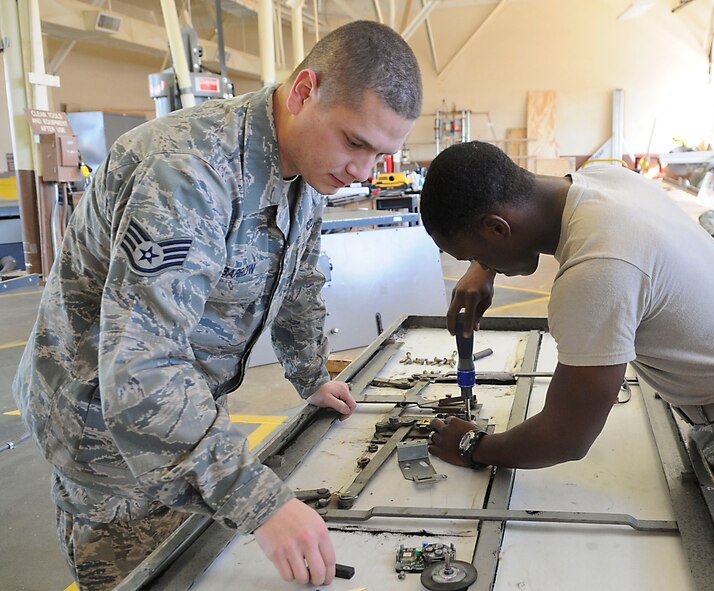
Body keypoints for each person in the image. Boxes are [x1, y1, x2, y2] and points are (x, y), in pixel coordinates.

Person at [13, 21, 421, 590]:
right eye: (355, 142)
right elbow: (142, 366)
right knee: (146, 574)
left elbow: (298, 278)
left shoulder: (306, 167)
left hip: (183, 412)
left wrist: (310, 376)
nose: (362, 170)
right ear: (304, 92)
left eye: (380, 154)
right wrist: (260, 502)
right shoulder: (187, 174)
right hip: (106, 438)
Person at [420, 141, 714, 590]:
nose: (478, 265)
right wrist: (483, 267)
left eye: (473, 253)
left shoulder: (595, 271)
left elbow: (566, 437)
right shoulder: (605, 180)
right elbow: (501, 226)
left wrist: (473, 447)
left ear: (496, 227)